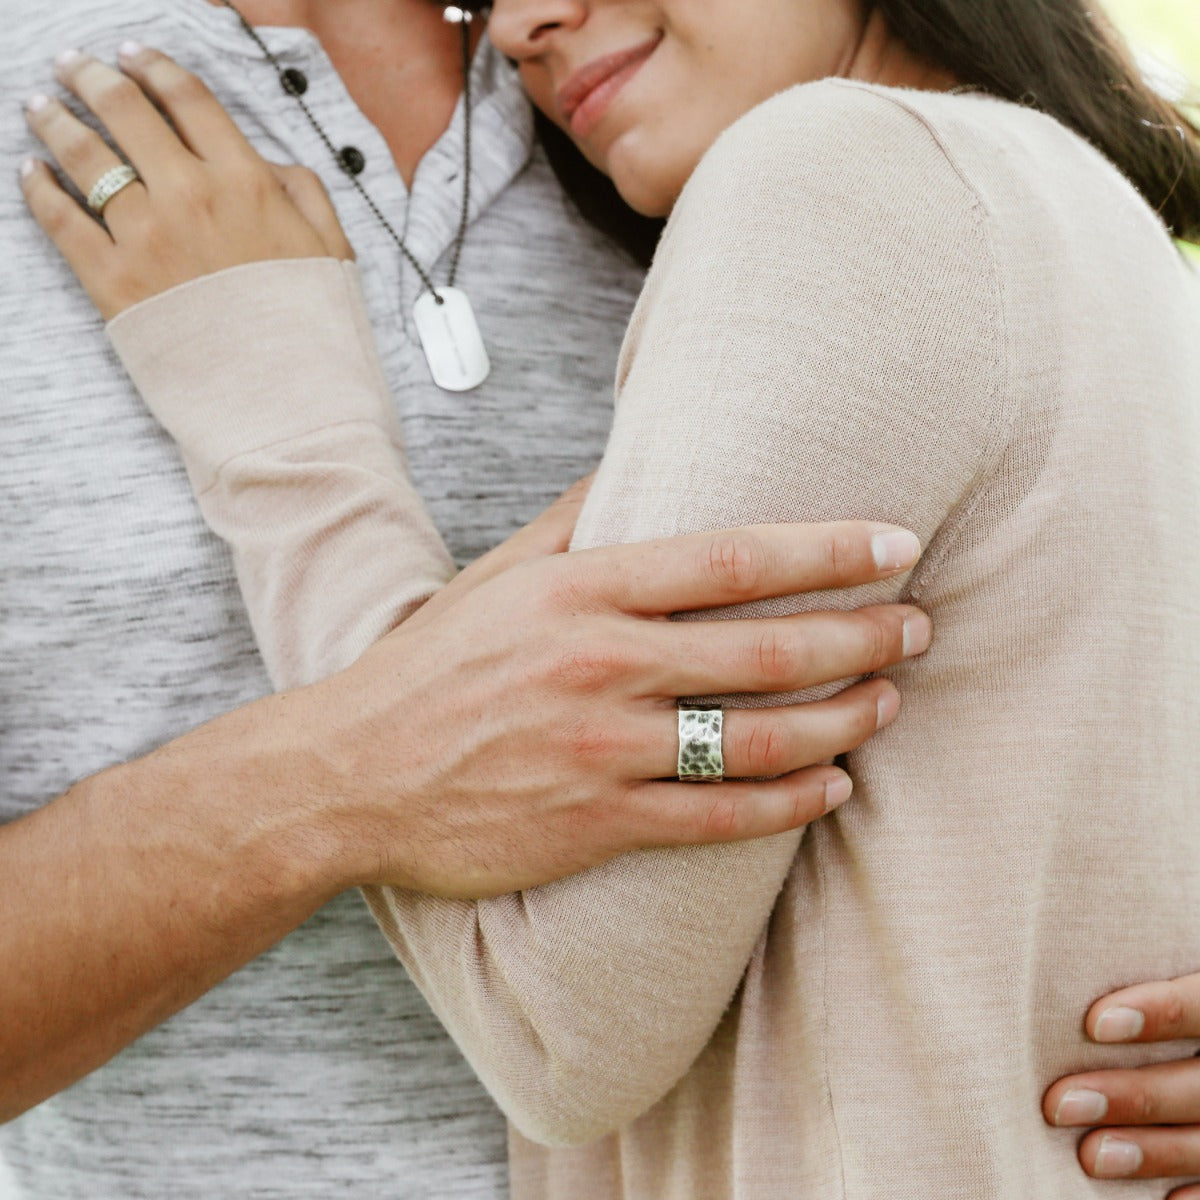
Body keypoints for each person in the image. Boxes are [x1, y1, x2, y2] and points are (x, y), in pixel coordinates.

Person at [12, 2, 1200, 1197]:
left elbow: (561, 1028)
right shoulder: (1078, 211)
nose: (523, 21)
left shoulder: (810, 166)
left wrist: (291, 450)